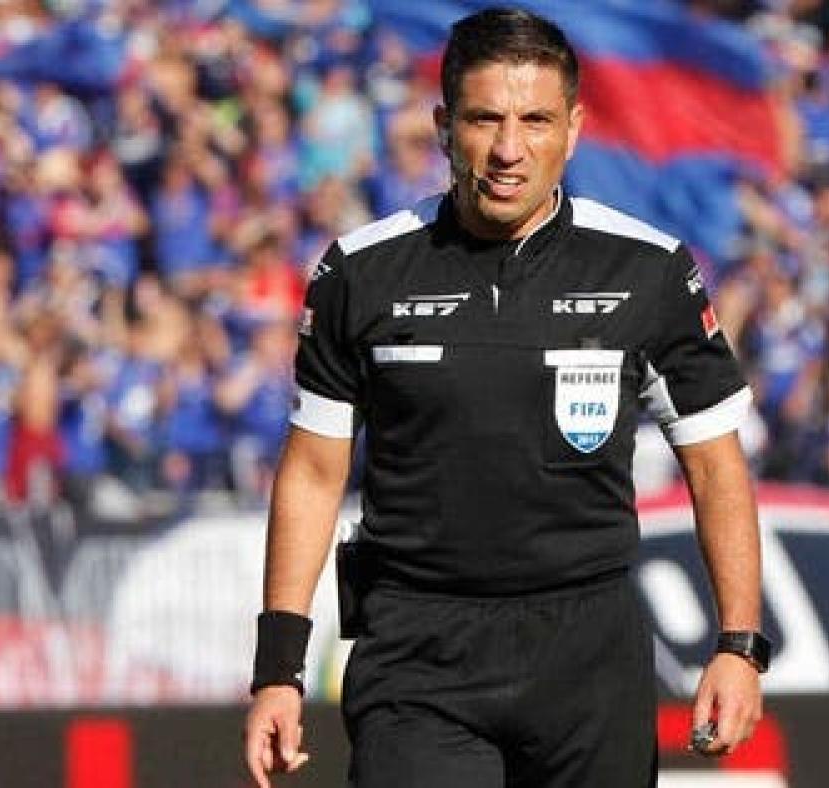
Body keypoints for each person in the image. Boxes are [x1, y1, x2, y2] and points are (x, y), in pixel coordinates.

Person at [243, 9, 769, 787]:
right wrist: (278, 670)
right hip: (417, 653)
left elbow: (717, 468)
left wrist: (739, 645)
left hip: (590, 659)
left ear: (574, 129)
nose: (509, 149)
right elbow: (314, 473)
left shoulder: (649, 271)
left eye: (536, 121)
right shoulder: (360, 272)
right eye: (485, 119)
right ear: (444, 126)